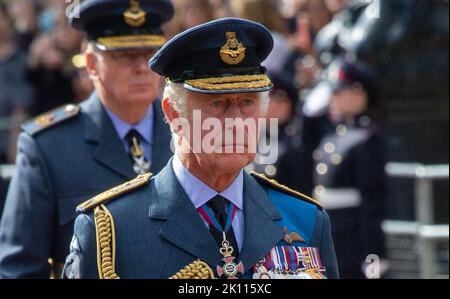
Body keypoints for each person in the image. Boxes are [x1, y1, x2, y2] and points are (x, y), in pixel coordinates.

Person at [63, 18, 339, 279]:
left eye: (247, 103)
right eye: (216, 104)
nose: (235, 122)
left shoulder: (306, 220)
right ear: (173, 113)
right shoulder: (113, 229)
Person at [0, 0, 174, 279]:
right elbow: (19, 267)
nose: (143, 67)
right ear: (91, 64)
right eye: (126, 55)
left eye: (151, 53)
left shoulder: (186, 134)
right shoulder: (49, 145)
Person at [311, 58, 387, 278]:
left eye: (338, 92)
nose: (332, 98)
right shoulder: (335, 134)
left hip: (353, 243)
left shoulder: (367, 138)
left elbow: (373, 202)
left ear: (358, 92)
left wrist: (374, 255)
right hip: (330, 237)